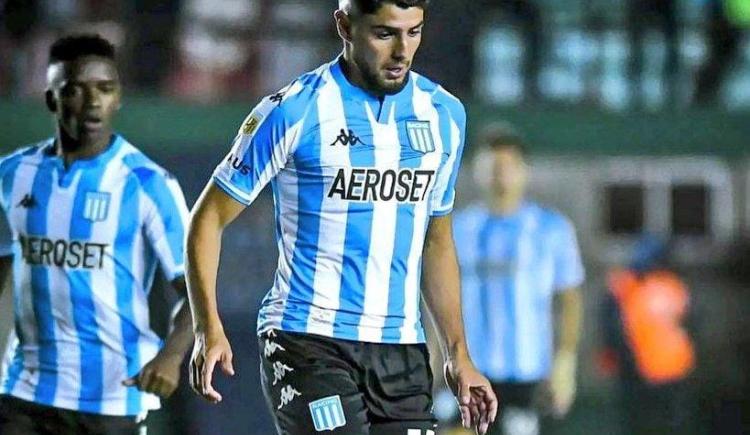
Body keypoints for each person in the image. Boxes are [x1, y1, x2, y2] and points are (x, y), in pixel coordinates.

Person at [185, 0, 498, 434]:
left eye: (414, 32)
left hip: (401, 349)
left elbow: (436, 240)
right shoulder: (294, 110)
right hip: (306, 341)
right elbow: (207, 218)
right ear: (345, 26)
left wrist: (457, 353)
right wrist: (207, 326)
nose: (402, 51)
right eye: (385, 34)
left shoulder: (445, 115)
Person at [0, 34, 194, 435]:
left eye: (105, 89)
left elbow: (197, 293)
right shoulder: (12, 175)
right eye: (76, 90)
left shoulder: (147, 183)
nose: (92, 102)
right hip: (24, 390)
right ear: (52, 99)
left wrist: (171, 357)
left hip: (111, 395)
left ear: (118, 97)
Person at [451, 123, 584, 435]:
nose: (500, 175)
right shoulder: (457, 229)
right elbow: (437, 299)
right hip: (467, 372)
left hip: (526, 375)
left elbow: (570, 299)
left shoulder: (552, 229)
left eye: (508, 166)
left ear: (524, 171)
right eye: (492, 166)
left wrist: (565, 364)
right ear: (476, 172)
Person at [600, 234, 695, 435]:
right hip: (653, 368)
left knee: (650, 422)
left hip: (656, 369)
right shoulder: (671, 286)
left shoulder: (633, 286)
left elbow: (611, 326)